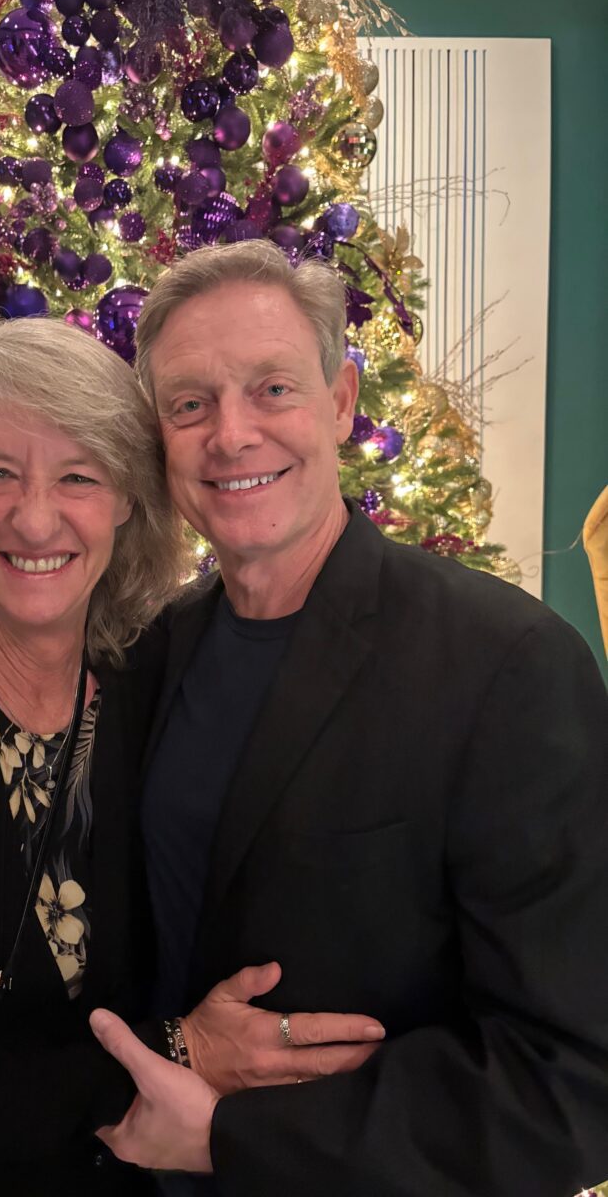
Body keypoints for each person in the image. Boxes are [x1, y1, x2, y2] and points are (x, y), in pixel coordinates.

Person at [0, 316, 385, 1197]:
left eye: (79, 476)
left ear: (128, 499)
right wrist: (180, 1051)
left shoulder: (150, 690)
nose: (35, 517)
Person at [90, 240, 608, 1197]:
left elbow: (572, 1080)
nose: (231, 435)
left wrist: (238, 1137)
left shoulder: (508, 666)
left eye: (273, 389)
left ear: (340, 401)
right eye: (189, 404)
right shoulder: (147, 655)